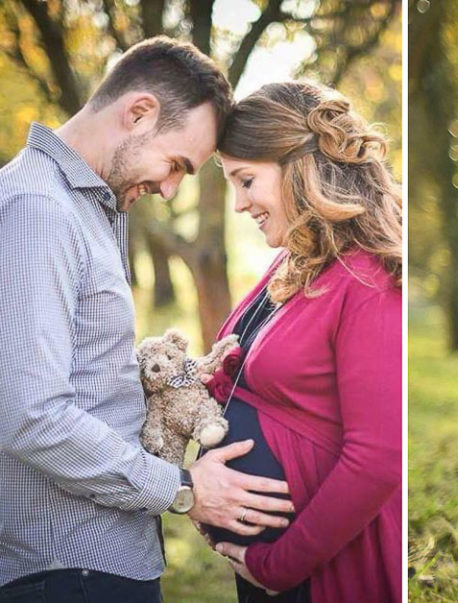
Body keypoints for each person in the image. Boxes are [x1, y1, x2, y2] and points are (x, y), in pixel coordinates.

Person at [0, 37, 295, 602]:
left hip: (101, 559)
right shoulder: (39, 210)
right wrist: (181, 487)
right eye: (176, 165)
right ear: (138, 113)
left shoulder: (87, 206)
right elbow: (29, 412)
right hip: (69, 570)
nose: (168, 189)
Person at [196, 81, 405, 602]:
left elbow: (378, 457)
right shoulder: (297, 261)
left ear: (300, 167)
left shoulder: (368, 277)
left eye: (247, 181)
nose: (240, 204)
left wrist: (277, 564)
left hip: (323, 568)